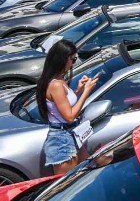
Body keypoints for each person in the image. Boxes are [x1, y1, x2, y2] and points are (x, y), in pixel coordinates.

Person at [37, 39, 99, 175]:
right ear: (62, 59)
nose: (74, 62)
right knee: (65, 187)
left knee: (86, 174)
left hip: (71, 133)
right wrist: (87, 92)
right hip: (62, 139)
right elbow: (69, 116)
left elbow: (62, 104)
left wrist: (78, 91)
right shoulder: (56, 85)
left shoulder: (59, 79)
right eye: (73, 58)